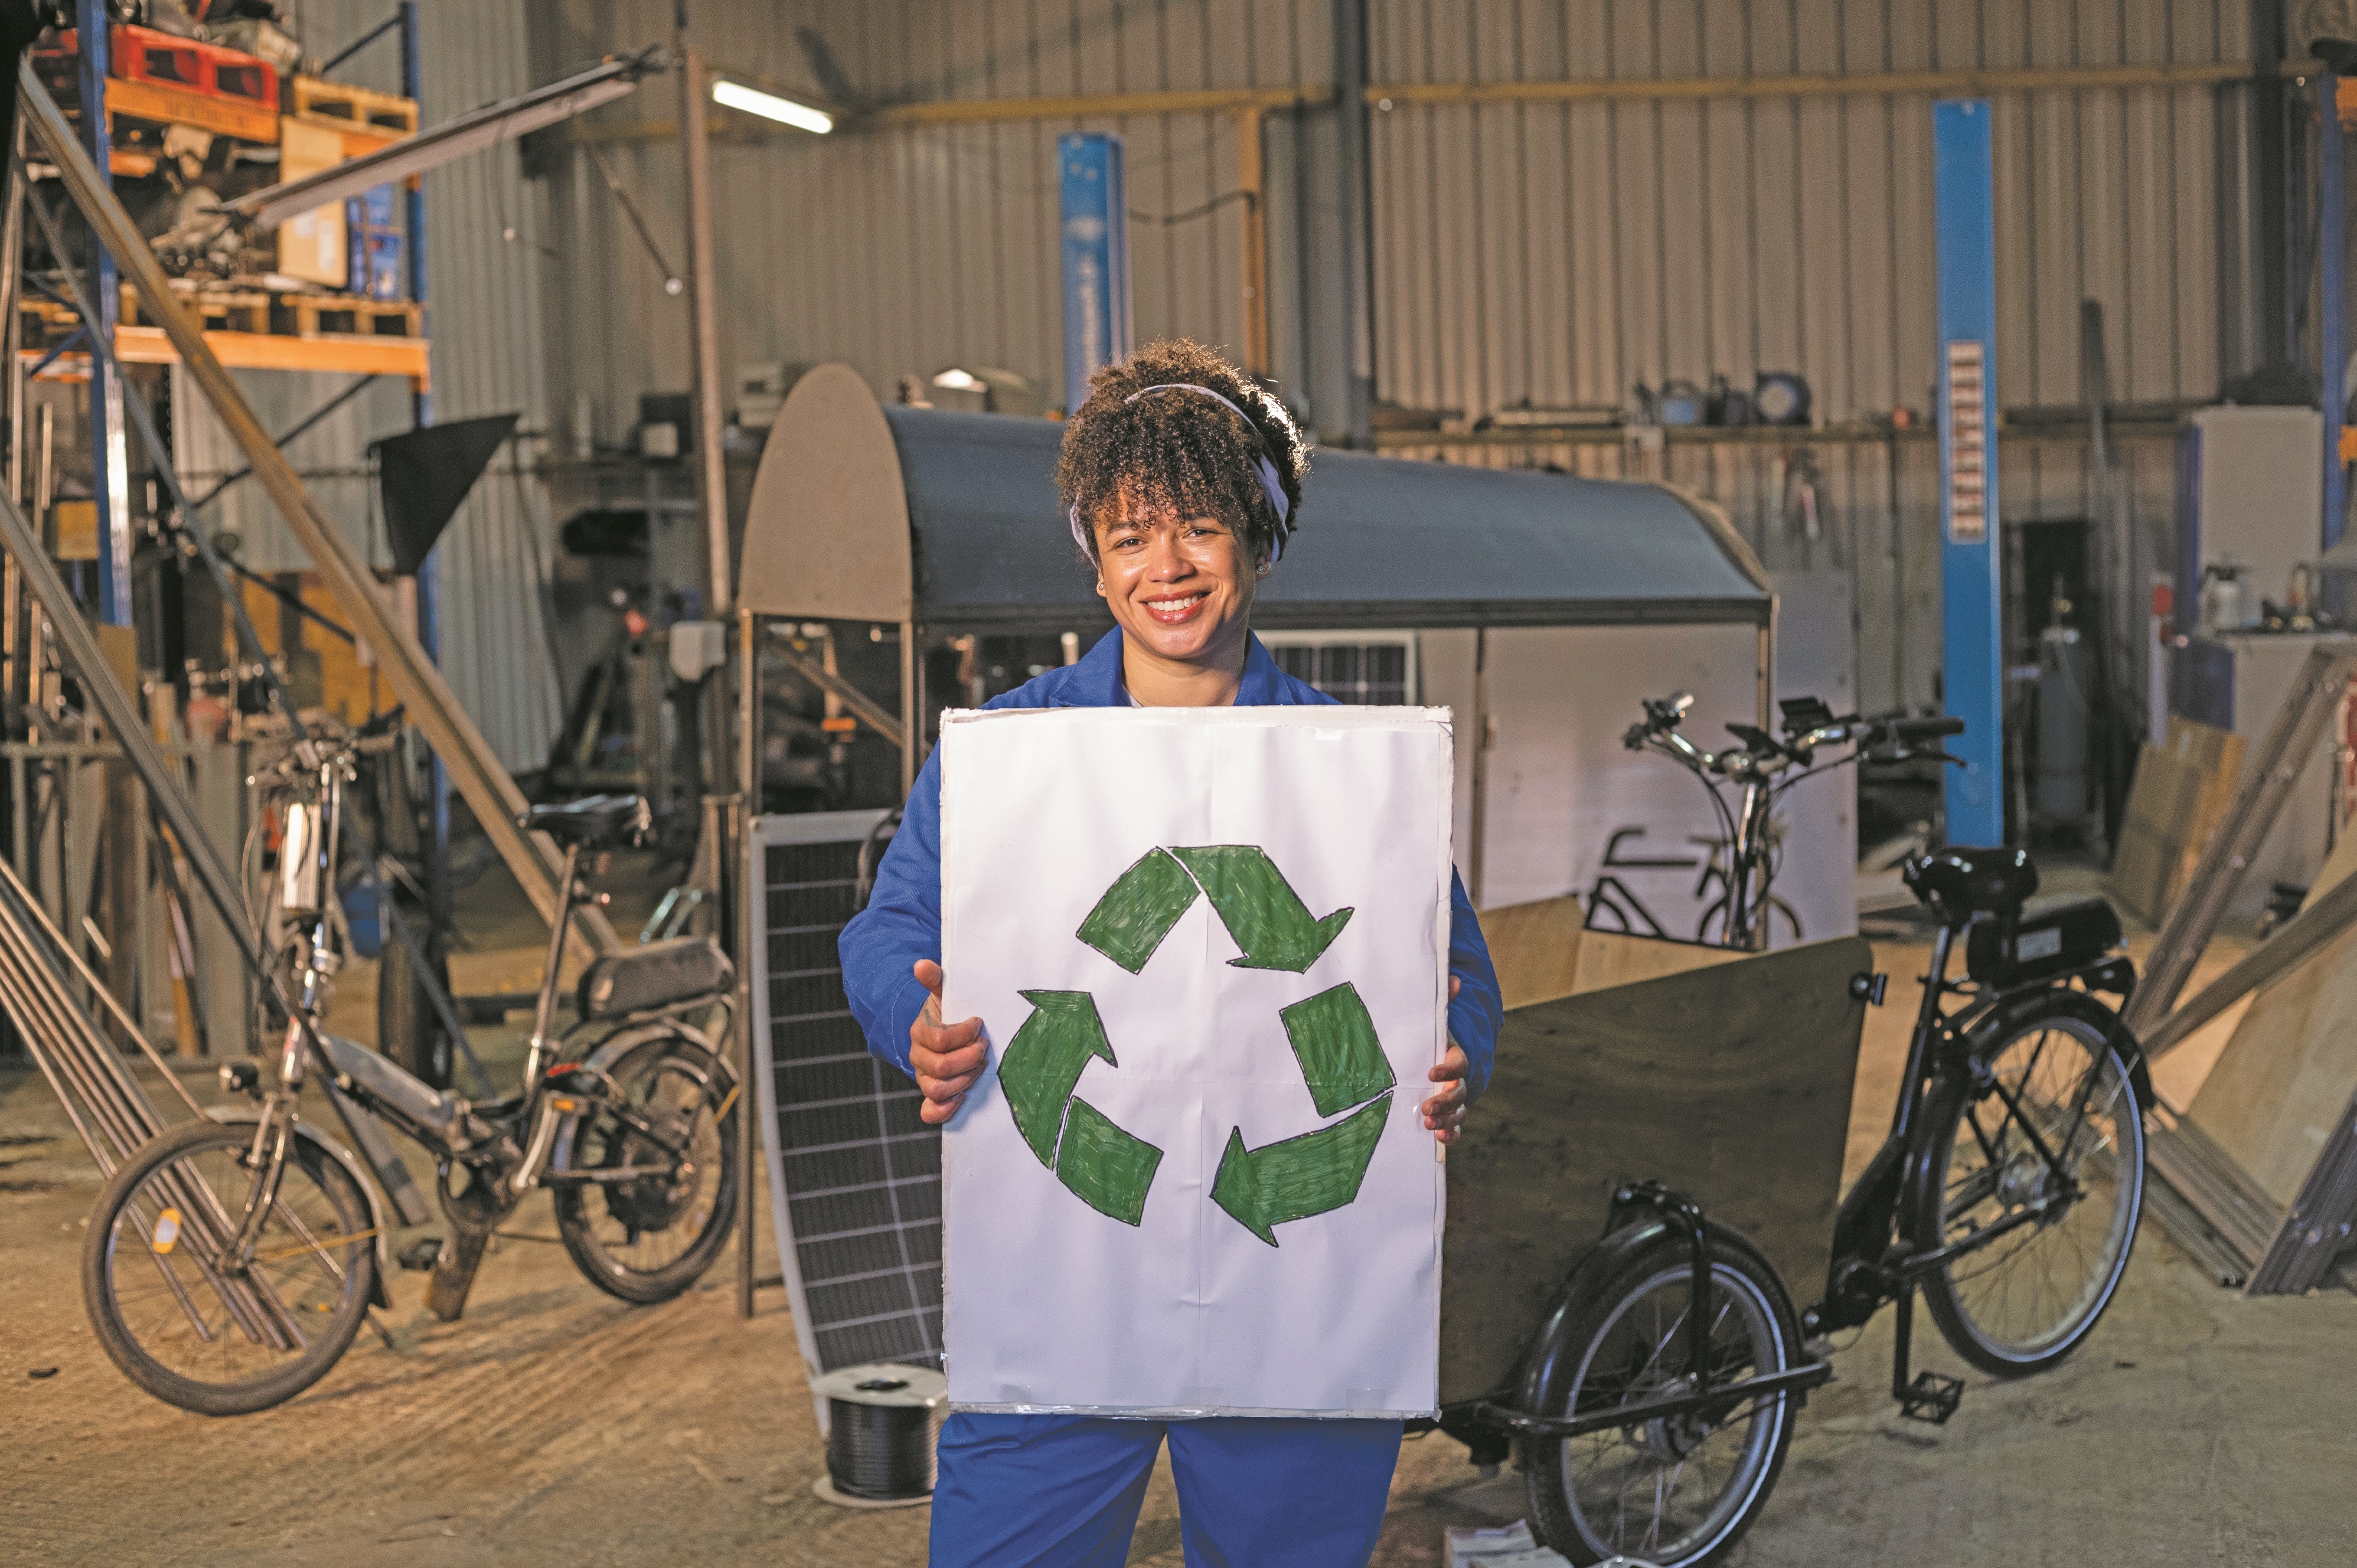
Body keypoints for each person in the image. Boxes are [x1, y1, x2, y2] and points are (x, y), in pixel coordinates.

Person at [840, 337, 1503, 1567]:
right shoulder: (1011, 757)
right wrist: (911, 1017)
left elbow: (1457, 970)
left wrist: (1459, 1048)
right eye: (1132, 530)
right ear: (1092, 554)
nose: (1168, 565)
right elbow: (887, 930)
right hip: (1058, 1276)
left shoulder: (1349, 776)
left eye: (1200, 526)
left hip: (1295, 1298)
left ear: (1259, 537)